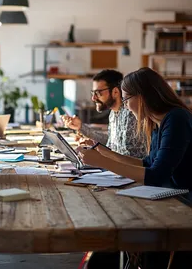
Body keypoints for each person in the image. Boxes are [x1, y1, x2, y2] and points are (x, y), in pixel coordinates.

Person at [78, 67, 192, 269]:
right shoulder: (160, 122)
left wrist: (102, 162)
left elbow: (156, 175)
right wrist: (102, 152)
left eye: (127, 98)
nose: (126, 106)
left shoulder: (176, 119)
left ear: (143, 96)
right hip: (170, 198)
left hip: (183, 205)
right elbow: (147, 164)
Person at [62, 69, 147, 158]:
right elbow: (111, 143)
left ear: (115, 92)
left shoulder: (131, 114)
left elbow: (126, 155)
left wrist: (97, 151)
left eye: (98, 93)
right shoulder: (113, 114)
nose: (93, 98)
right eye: (93, 93)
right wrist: (82, 130)